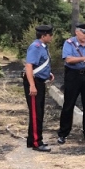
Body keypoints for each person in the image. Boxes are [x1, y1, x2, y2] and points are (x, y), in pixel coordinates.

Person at [57, 23, 85, 144]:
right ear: (77, 32)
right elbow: (68, 59)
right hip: (73, 75)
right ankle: (63, 133)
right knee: (69, 104)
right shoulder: (69, 43)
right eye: (84, 33)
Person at [23, 24, 55, 152]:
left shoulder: (43, 47)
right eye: (50, 35)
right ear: (43, 36)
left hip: (40, 81)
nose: (51, 37)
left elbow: (40, 64)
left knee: (38, 111)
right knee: (36, 113)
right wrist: (32, 85)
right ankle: (37, 142)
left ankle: (33, 140)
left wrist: (47, 74)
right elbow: (29, 66)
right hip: (34, 82)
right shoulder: (35, 47)